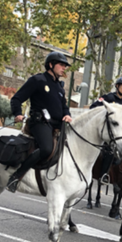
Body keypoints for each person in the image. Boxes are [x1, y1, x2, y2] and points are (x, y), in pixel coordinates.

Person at [7, 51, 73, 192]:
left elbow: (64, 107)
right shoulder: (37, 80)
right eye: (61, 65)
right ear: (51, 64)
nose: (64, 68)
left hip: (57, 124)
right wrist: (17, 113)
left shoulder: (60, 87)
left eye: (65, 66)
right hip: (39, 122)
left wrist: (67, 115)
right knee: (46, 149)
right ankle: (16, 176)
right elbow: (17, 98)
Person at [90, 76, 122, 183]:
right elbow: (93, 108)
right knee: (110, 151)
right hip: (107, 130)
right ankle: (103, 175)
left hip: (120, 131)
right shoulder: (108, 97)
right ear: (117, 86)